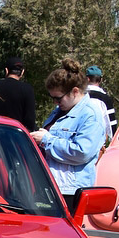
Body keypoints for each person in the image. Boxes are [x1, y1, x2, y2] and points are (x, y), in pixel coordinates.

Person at [31, 58, 106, 203]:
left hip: (70, 192)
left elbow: (82, 152)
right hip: (51, 187)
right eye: (52, 98)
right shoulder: (60, 110)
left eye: (58, 98)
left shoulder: (90, 114)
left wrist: (47, 140)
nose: (55, 103)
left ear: (75, 91)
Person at [0, 56, 36, 131]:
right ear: (22, 72)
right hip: (16, 136)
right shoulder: (27, 89)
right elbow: (30, 120)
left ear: (6, 70)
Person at [86, 66, 117, 139]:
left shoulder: (78, 96)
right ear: (101, 80)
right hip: (98, 139)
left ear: (87, 79)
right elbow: (111, 123)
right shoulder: (105, 98)